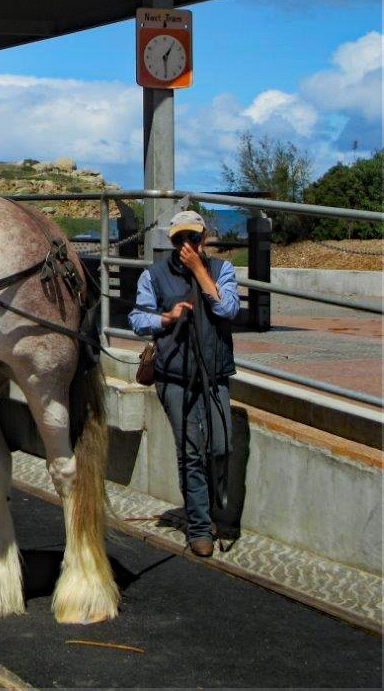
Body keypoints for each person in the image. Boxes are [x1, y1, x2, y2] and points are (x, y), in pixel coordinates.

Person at [129, 210, 239, 558]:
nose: (186, 245)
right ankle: (199, 527)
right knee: (191, 452)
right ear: (172, 242)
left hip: (215, 373)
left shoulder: (223, 271)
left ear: (203, 239)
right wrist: (166, 316)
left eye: (192, 238)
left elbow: (229, 310)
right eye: (179, 240)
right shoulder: (154, 276)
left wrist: (199, 272)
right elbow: (136, 319)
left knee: (220, 447)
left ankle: (208, 511)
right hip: (174, 376)